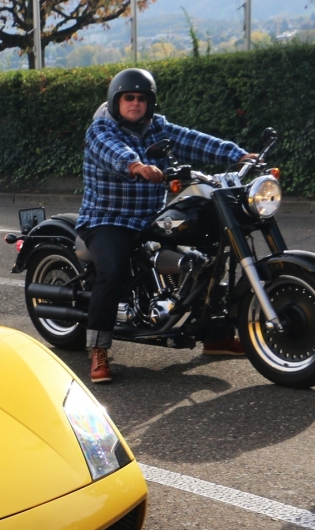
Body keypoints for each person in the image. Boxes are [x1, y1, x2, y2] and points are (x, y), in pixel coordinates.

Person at [78, 68, 256, 383]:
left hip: (151, 216)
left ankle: (215, 336)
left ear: (150, 102)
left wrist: (239, 155)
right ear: (116, 100)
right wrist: (135, 165)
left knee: (207, 255)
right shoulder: (100, 129)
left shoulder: (157, 127)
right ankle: (99, 350)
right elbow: (113, 152)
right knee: (114, 269)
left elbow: (195, 141)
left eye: (141, 98)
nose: (135, 104)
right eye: (128, 98)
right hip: (108, 218)